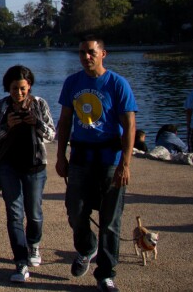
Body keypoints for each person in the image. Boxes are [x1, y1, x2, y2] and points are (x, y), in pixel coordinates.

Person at [56, 36, 137, 292]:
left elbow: (130, 125)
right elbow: (65, 121)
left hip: (109, 159)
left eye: (91, 52)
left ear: (103, 54)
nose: (86, 57)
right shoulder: (72, 83)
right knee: (75, 211)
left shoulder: (117, 84)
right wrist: (60, 155)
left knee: (110, 220)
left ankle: (106, 273)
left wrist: (125, 163)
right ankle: (86, 248)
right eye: (81, 53)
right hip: (80, 158)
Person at [0, 65, 56, 283]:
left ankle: (34, 244)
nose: (19, 93)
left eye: (23, 88)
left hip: (35, 166)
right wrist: (8, 126)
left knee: (34, 213)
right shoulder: (1, 107)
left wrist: (36, 123)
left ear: (29, 87)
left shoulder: (39, 104)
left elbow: (51, 134)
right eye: (14, 88)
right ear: (8, 88)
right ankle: (20, 261)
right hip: (9, 167)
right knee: (15, 214)